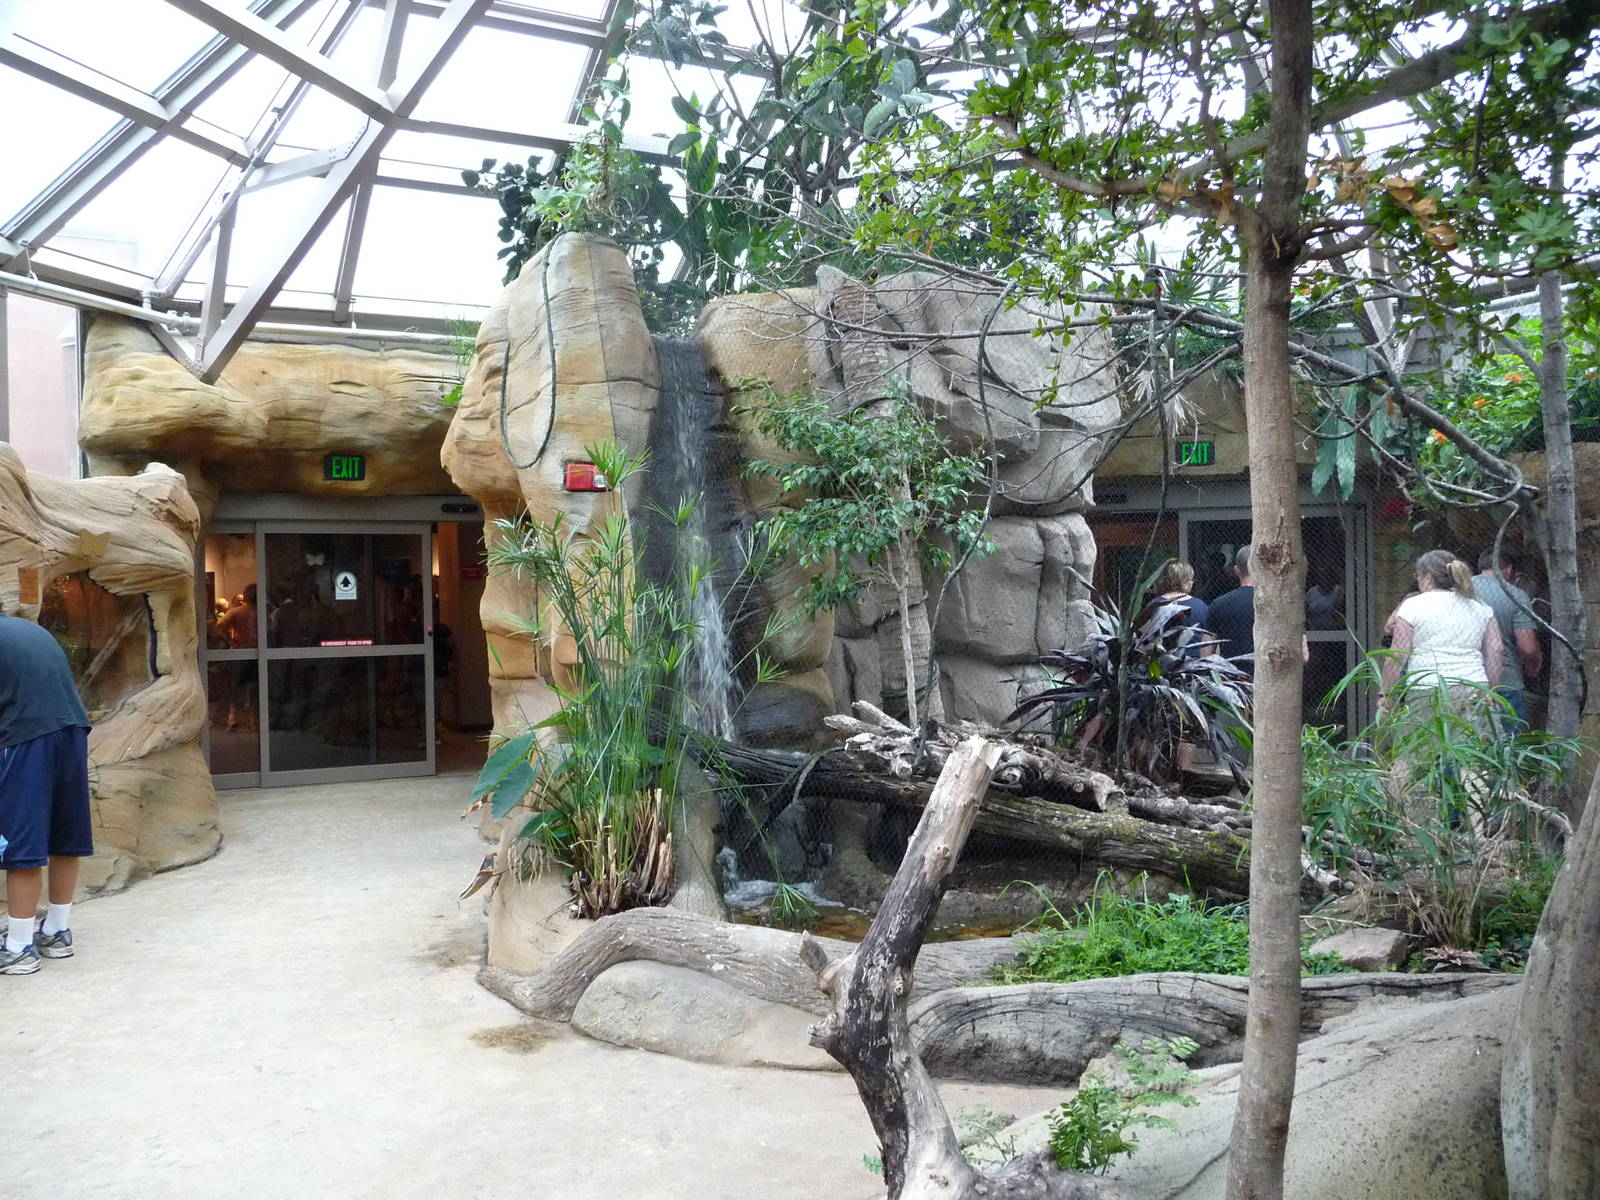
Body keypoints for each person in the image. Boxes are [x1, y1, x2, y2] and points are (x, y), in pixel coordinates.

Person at [0, 605, 94, 975]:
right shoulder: (31, 631)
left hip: (27, 736)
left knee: (19, 841)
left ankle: (18, 948)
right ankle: (56, 932)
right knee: (64, 836)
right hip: (72, 731)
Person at [1203, 545, 1310, 672]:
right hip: (1271, 677)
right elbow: (1303, 655)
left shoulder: (1218, 605)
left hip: (1232, 679)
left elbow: (1206, 656)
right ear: (1262, 568)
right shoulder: (1282, 605)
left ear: (1236, 570)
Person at [1473, 549, 1543, 730]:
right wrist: (1534, 662)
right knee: (1507, 740)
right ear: (1510, 569)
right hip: (1506, 682)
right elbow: (1527, 647)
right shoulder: (1515, 595)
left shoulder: (1460, 591)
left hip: (1465, 679)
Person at [1141, 560, 1211, 653]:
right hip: (1194, 658)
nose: (1192, 582)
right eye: (1191, 579)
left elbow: (1145, 635)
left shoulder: (1155, 604)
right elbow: (1207, 637)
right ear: (1185, 581)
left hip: (1161, 657)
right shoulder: (1200, 606)